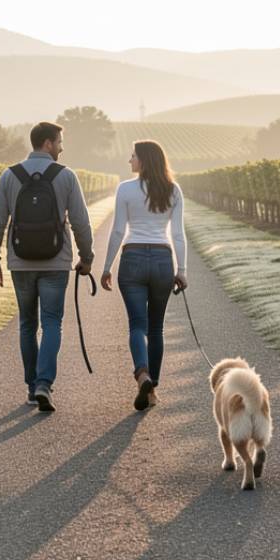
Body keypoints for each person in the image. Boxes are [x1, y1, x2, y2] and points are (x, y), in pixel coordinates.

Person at [0, 121, 94, 413]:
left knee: (26, 323)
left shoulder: (9, 175)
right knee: (51, 322)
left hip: (20, 262)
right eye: (59, 141)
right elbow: (81, 223)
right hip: (55, 262)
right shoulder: (66, 176)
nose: (61, 147)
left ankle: (32, 386)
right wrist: (87, 257)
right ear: (47, 143)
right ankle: (45, 382)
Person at [100, 140, 187, 411]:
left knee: (137, 324)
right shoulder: (173, 190)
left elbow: (117, 231)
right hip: (162, 259)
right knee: (156, 327)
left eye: (133, 156)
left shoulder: (125, 189)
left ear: (144, 160)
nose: (129, 160)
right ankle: (152, 389)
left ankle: (142, 375)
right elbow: (177, 234)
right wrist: (181, 270)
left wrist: (106, 267)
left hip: (133, 258)